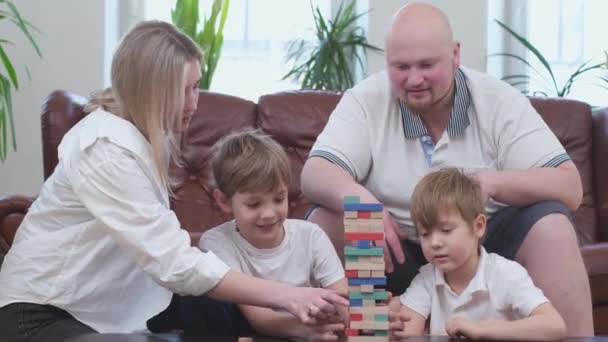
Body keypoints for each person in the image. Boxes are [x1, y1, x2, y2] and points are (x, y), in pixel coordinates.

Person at [0, 20, 348, 342]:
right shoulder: (105, 150)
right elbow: (175, 263)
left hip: (108, 300)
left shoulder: (148, 135)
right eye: (183, 90)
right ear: (148, 90)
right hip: (39, 312)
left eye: (196, 87)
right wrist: (291, 295)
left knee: (213, 303)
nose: (193, 103)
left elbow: (173, 259)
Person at [300, 2, 593, 336]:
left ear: (455, 55)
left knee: (552, 225)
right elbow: (314, 173)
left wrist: (490, 183)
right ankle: (364, 331)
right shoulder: (365, 100)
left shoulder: (499, 100)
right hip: (395, 251)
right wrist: (364, 203)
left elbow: (569, 187)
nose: (414, 79)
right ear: (387, 62)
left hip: (485, 251)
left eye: (427, 65)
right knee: (331, 218)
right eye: (401, 67)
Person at [174, 129, 346, 340]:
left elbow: (342, 297)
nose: (268, 214)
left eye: (279, 199)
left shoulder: (310, 235)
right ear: (224, 201)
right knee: (195, 297)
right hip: (259, 332)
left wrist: (368, 325)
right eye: (254, 204)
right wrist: (306, 329)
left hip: (311, 330)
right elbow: (260, 319)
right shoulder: (216, 242)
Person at [387, 168, 566, 340]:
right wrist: (389, 323)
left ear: (478, 226)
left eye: (446, 230)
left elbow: (554, 325)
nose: (434, 243)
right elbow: (409, 333)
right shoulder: (427, 279)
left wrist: (482, 329)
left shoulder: (505, 273)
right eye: (425, 234)